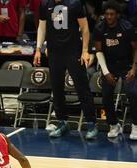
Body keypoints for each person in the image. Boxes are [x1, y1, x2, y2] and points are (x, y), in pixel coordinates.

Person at [34, 0, 97, 139]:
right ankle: (62, 122)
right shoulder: (45, 4)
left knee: (82, 88)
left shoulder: (74, 3)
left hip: (73, 52)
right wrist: (38, 49)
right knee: (57, 89)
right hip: (55, 53)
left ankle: (91, 123)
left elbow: (85, 28)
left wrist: (85, 50)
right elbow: (41, 27)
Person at [94, 0, 137, 140]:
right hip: (110, 65)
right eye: (107, 14)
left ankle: (135, 125)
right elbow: (99, 51)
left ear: (117, 15)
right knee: (106, 95)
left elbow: (136, 48)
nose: (109, 17)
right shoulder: (100, 28)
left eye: (112, 14)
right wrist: (105, 72)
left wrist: (134, 68)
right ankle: (113, 124)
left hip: (127, 64)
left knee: (132, 92)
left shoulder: (126, 27)